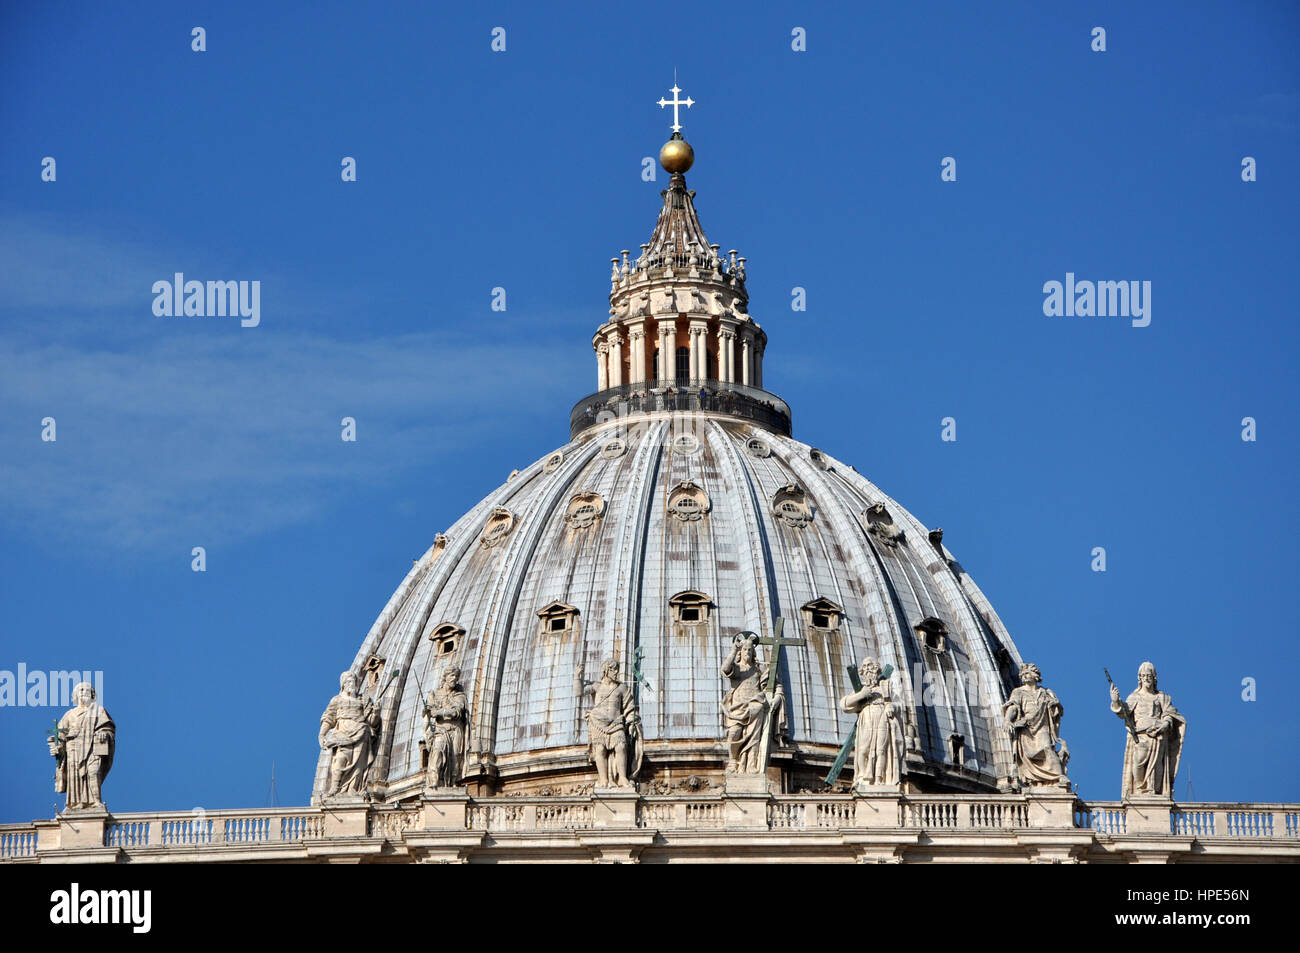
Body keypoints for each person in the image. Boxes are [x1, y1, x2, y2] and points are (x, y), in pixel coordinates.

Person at [1110, 661, 1185, 799]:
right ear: (1140, 678)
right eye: (1144, 676)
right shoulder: (1134, 697)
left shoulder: (1162, 697)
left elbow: (1170, 714)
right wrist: (1115, 701)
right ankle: (1139, 788)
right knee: (1138, 761)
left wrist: (1165, 723)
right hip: (1141, 734)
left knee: (1157, 767)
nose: (1146, 679)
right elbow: (1123, 712)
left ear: (1154, 677)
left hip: (1158, 735)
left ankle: (1154, 792)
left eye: (1149, 676)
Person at [49, 682, 114, 810]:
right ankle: (76, 804)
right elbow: (59, 736)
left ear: (92, 694)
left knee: (93, 772)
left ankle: (96, 801)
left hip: (93, 747)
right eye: (81, 689)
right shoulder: (69, 714)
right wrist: (57, 747)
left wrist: (103, 734)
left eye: (87, 690)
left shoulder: (98, 711)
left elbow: (108, 728)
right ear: (75, 695)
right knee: (75, 776)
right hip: (73, 748)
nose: (83, 692)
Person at [1002, 663, 1069, 788]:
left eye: (1027, 674)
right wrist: (1007, 720)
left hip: (1042, 726)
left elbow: (1058, 711)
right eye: (1022, 675)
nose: (1024, 676)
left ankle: (1058, 776)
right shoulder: (1018, 692)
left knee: (1047, 748)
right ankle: (1034, 778)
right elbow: (1013, 707)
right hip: (1026, 727)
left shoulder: (1045, 692)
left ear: (1035, 676)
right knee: (1035, 752)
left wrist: (1054, 705)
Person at [840, 659, 903, 788]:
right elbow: (844, 704)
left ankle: (879, 778)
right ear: (862, 671)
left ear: (877, 669)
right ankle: (863, 776)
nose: (868, 669)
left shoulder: (884, 688)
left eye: (871, 666)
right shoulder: (861, 689)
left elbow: (899, 705)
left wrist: (891, 706)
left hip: (882, 717)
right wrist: (861, 695)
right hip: (867, 719)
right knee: (863, 749)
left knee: (881, 750)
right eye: (865, 667)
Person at [580, 659, 642, 788]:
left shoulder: (622, 688)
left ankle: (622, 778)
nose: (616, 672)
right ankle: (604, 780)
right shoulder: (597, 686)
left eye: (617, 669)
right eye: (613, 669)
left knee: (621, 746)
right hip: (598, 721)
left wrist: (632, 721)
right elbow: (578, 692)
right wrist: (577, 677)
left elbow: (629, 707)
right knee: (600, 749)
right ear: (606, 671)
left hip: (616, 721)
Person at [319, 672, 381, 797]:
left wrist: (376, 712)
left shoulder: (363, 699)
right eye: (348, 682)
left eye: (353, 681)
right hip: (342, 734)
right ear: (343, 684)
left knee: (358, 765)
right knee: (340, 761)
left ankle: (353, 788)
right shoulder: (337, 700)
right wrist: (322, 734)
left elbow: (371, 720)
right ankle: (336, 788)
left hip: (361, 732)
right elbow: (329, 718)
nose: (352, 684)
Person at [721, 636, 770, 774]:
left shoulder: (758, 669)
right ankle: (733, 761)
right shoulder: (737, 669)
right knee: (734, 734)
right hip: (737, 708)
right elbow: (725, 668)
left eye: (750, 650)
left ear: (753, 652)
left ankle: (751, 764)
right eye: (745, 649)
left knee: (754, 738)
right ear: (740, 652)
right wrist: (733, 650)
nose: (747, 652)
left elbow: (767, 686)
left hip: (755, 707)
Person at [422, 666, 468, 790]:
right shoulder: (435, 694)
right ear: (445, 677)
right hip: (440, 731)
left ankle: (452, 784)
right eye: (452, 676)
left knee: (455, 761)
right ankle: (434, 783)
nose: (455, 679)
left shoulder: (460, 695)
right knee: (437, 753)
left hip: (455, 731)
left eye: (456, 677)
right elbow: (429, 712)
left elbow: (456, 712)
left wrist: (439, 712)